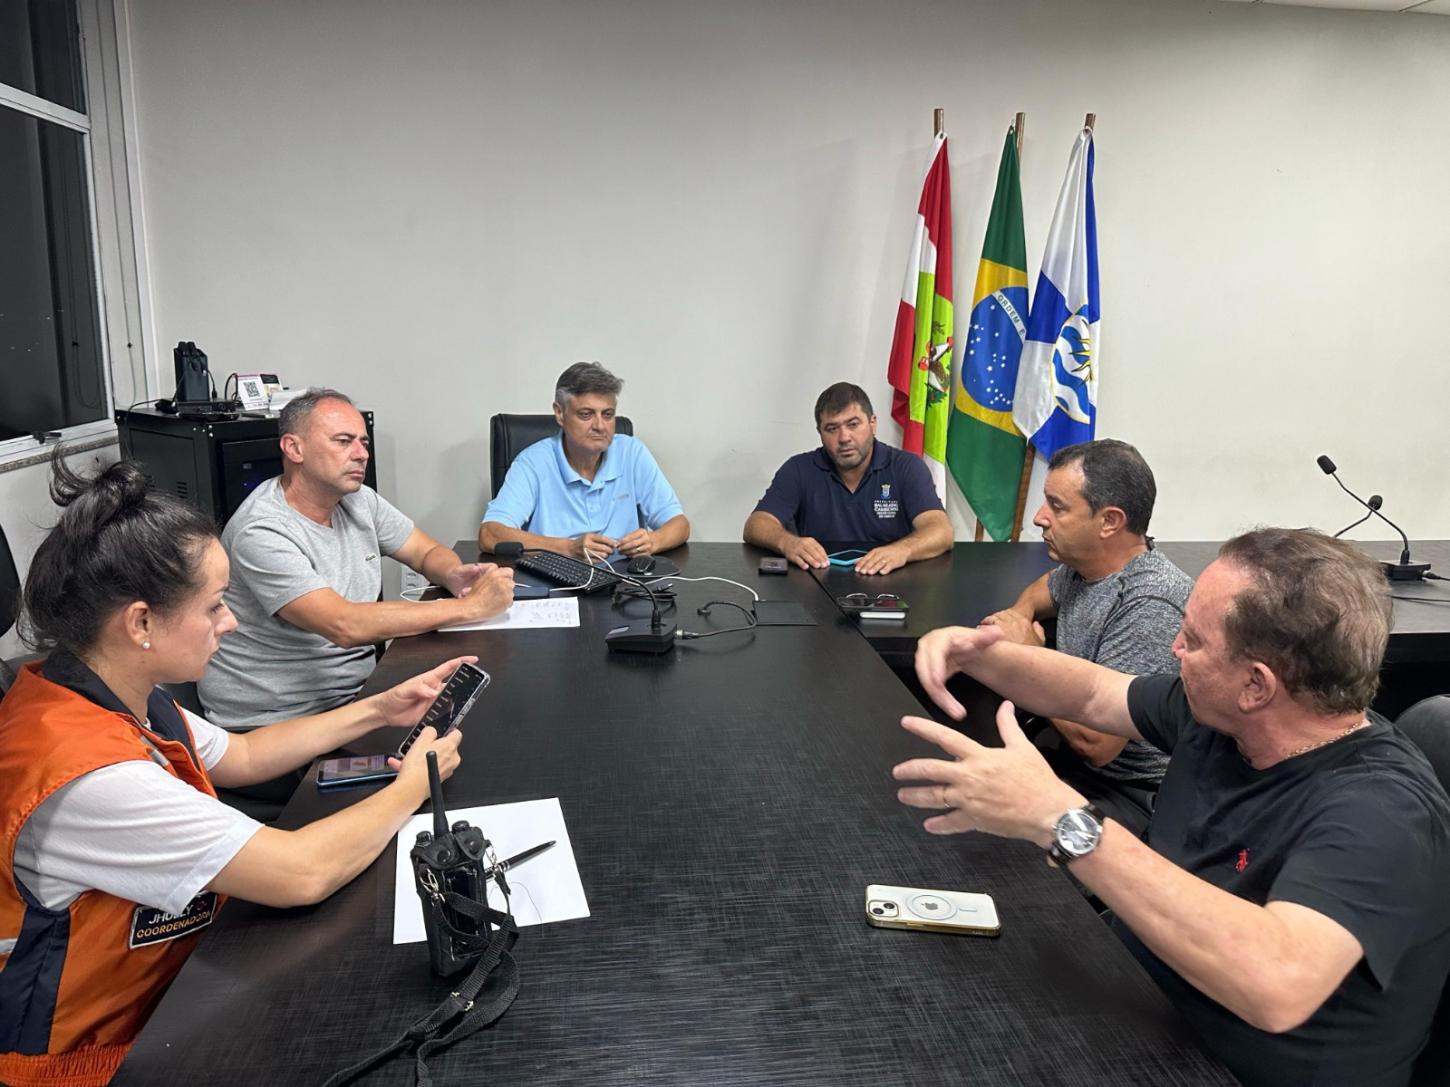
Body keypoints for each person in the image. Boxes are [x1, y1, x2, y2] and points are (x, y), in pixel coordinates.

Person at [893, 528, 1450, 1087]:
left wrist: (1063, 820)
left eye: (1193, 639)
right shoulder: (1219, 716)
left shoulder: (1382, 810)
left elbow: (1279, 984)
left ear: (1256, 685)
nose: (1174, 649)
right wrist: (977, 654)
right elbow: (1090, 693)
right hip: (1148, 1010)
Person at [0, 456, 470, 1087]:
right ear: (141, 622)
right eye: (216, 606)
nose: (231, 621)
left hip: (166, 990)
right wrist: (418, 781)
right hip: (93, 1056)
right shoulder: (90, 778)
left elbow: (244, 756)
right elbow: (302, 872)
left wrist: (379, 708)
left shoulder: (99, 688)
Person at [199, 388, 513, 729]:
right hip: (278, 721)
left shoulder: (360, 501)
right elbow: (343, 625)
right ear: (294, 448)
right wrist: (470, 608)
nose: (361, 454)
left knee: (493, 710)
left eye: (363, 442)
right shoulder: (261, 530)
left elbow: (424, 551)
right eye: (343, 441)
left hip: (354, 695)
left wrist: (453, 573)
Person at [979, 439, 1192, 836]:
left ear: (1109, 521)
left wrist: (1030, 655)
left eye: (1057, 507)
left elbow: (1098, 744)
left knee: (993, 839)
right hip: (1073, 765)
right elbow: (1045, 589)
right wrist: (1019, 614)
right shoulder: (1086, 569)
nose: (1040, 518)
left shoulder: (1149, 603)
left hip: (1128, 794)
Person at [479, 362, 689, 562]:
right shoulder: (533, 462)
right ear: (560, 413)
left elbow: (679, 525)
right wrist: (568, 548)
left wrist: (652, 541)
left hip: (625, 583)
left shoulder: (631, 452)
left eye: (607, 414)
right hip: (556, 581)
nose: (600, 425)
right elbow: (490, 534)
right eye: (586, 414)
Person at [743, 382, 951, 574]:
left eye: (853, 424)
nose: (844, 438)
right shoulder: (798, 468)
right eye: (832, 429)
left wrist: (902, 551)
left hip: (891, 583)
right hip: (819, 582)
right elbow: (756, 524)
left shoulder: (906, 466)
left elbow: (941, 531)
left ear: (873, 424)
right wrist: (788, 542)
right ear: (820, 432)